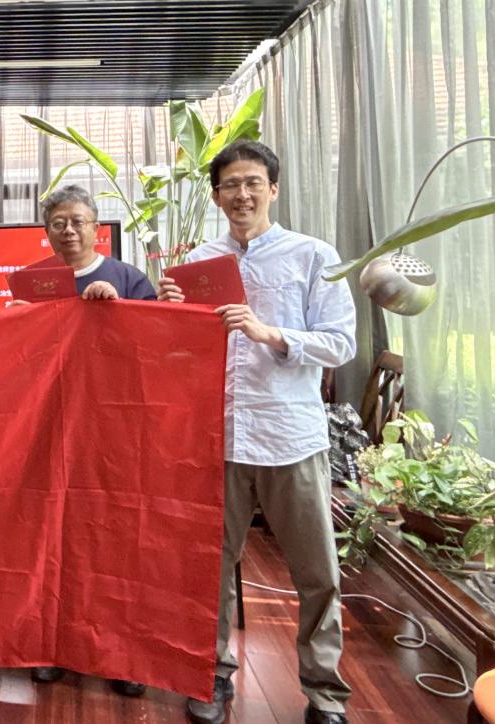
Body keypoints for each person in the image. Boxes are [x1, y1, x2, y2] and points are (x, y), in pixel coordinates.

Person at [157, 141, 354, 724]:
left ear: (272, 189)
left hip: (289, 434)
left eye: (252, 183)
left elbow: (341, 342)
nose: (241, 195)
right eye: (230, 186)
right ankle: (211, 676)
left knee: (316, 572)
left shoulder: (313, 255)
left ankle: (325, 694)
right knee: (210, 567)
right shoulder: (198, 261)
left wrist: (270, 333)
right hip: (217, 437)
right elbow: (176, 353)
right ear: (216, 196)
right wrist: (171, 313)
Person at [22, 183, 153, 697]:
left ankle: (122, 655)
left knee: (115, 540)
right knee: (52, 539)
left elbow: (157, 344)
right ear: (46, 231)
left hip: (112, 433)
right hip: (48, 428)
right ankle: (53, 646)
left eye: (78, 221)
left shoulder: (128, 278)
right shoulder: (33, 281)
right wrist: (17, 317)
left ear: (97, 227)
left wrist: (120, 310)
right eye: (58, 223)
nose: (69, 231)